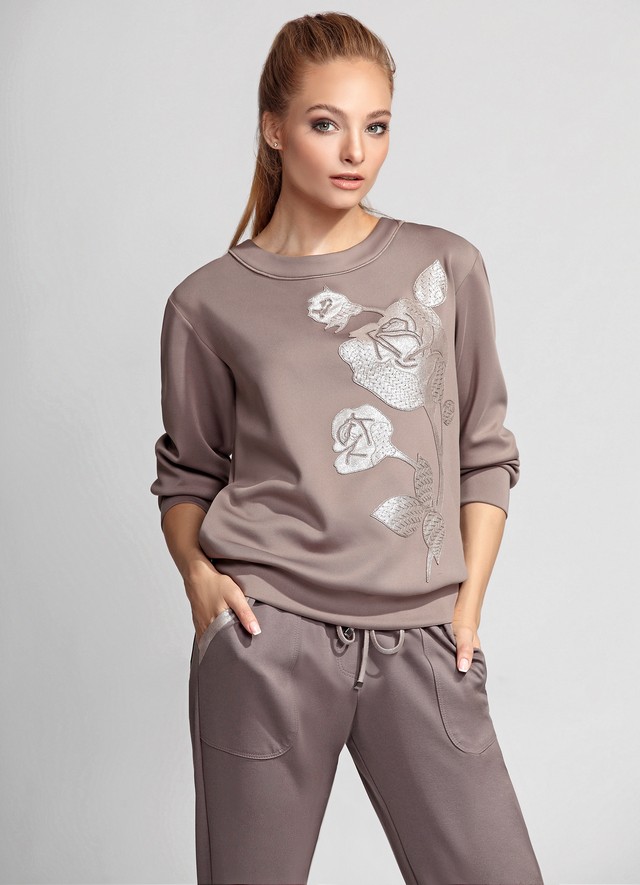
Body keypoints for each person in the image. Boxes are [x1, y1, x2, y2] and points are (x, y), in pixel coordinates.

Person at [150, 11, 544, 885]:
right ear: (274, 128)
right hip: (269, 637)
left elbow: (484, 450)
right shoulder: (206, 303)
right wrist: (200, 581)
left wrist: (466, 609)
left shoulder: (447, 267)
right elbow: (188, 475)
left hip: (423, 639)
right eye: (326, 123)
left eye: (377, 125)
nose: (356, 151)